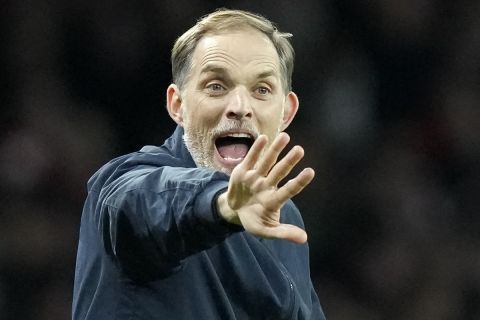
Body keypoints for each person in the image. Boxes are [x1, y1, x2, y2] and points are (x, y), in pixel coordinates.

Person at [72, 8, 326, 320]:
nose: (240, 107)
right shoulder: (124, 185)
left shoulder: (285, 219)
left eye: (261, 90)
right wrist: (220, 204)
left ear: (286, 113)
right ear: (177, 105)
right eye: (216, 86)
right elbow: (138, 204)